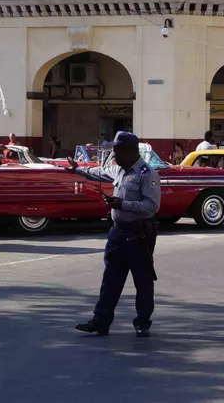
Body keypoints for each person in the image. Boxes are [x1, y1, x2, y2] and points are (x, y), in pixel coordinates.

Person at [68, 131, 162, 337]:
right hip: (117, 233)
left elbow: (152, 206)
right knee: (110, 280)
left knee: (143, 281)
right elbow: (99, 172)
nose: (114, 155)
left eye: (116, 151)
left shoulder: (147, 174)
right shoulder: (119, 169)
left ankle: (142, 322)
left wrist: (123, 204)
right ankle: (100, 321)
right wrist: (78, 169)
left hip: (138, 235)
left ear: (129, 151)